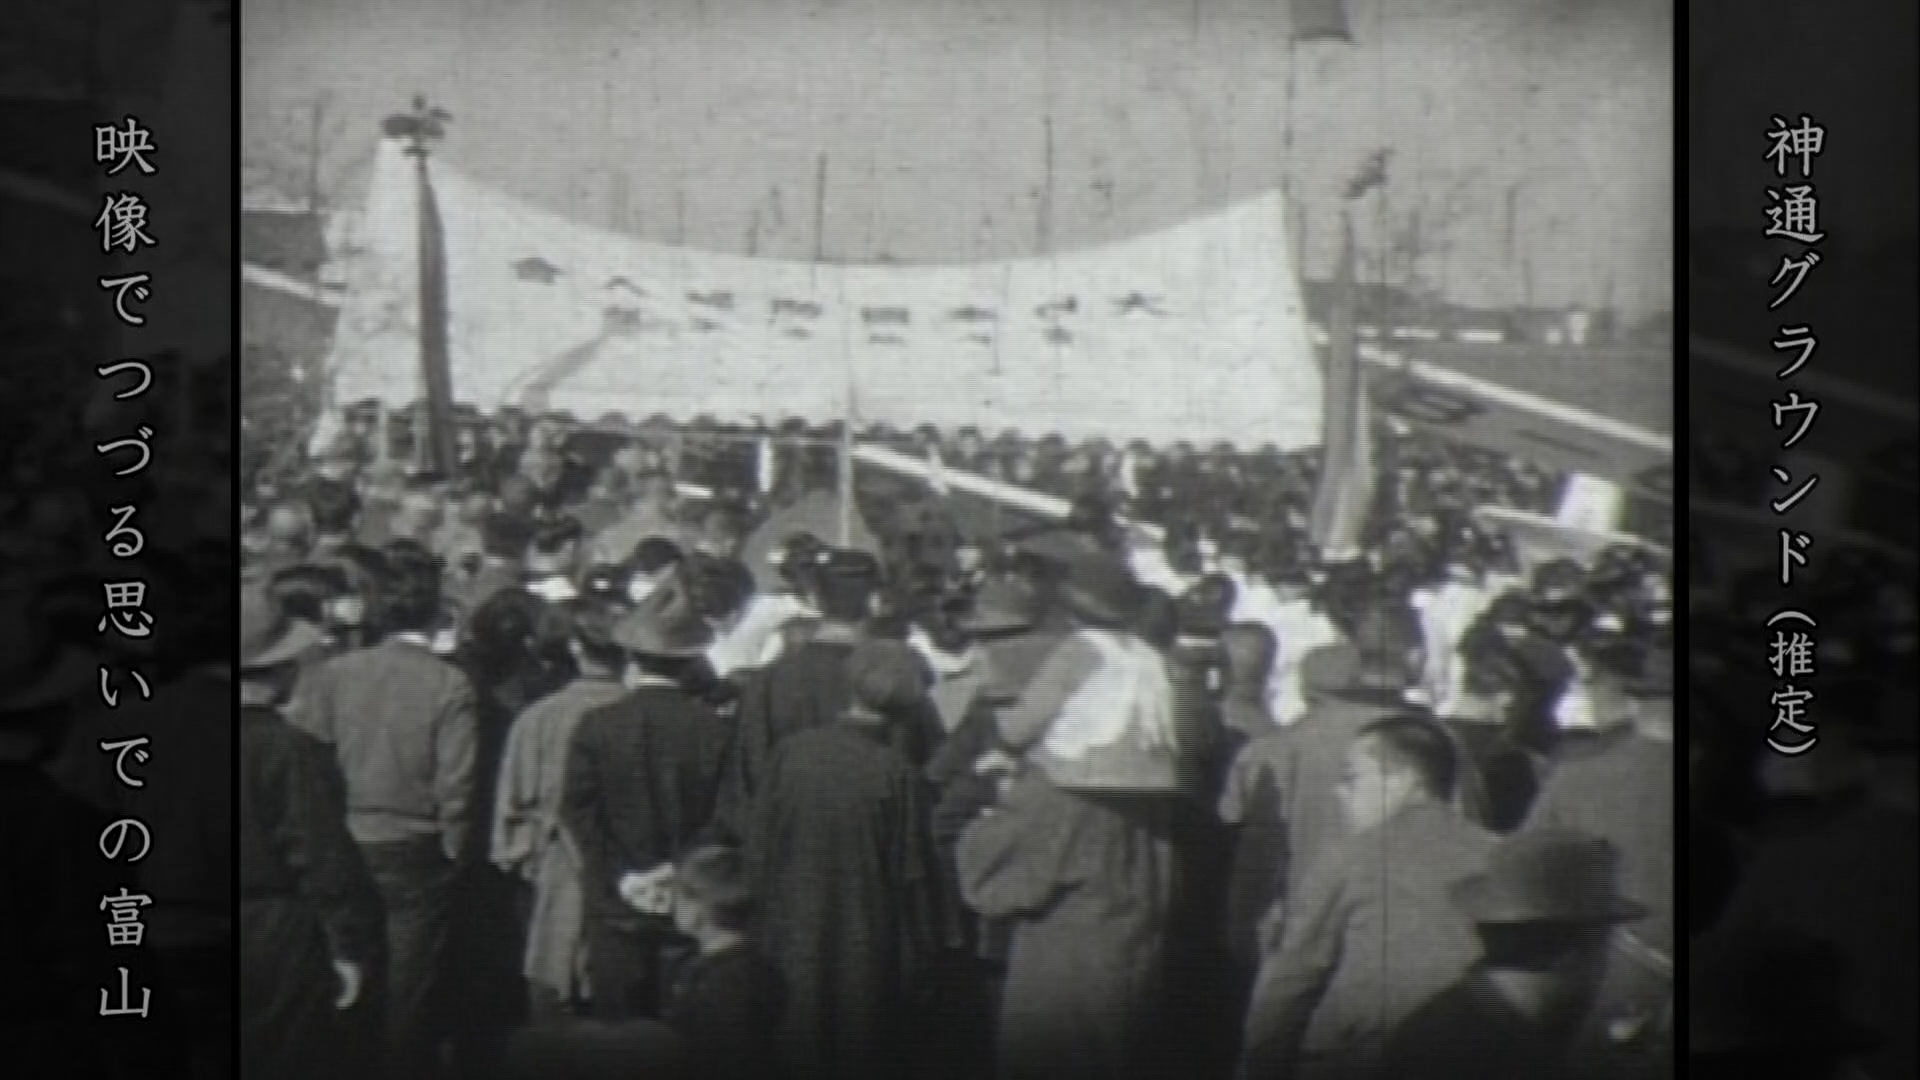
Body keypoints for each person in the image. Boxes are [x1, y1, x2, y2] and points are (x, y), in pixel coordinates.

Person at [290, 546, 480, 1078]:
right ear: (435, 612)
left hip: (342, 842)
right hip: (416, 849)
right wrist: (454, 853)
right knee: (409, 993)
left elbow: (308, 762)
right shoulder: (449, 683)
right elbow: (457, 785)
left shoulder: (333, 675)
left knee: (345, 981)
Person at [1240, 715, 1496, 1080]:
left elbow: (1290, 981)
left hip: (1364, 1057)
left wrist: (1260, 1066)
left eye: (1352, 778)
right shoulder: (1500, 855)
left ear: (1404, 780)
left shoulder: (1351, 858)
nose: (1339, 793)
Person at [746, 639, 942, 1079]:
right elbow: (913, 878)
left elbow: (758, 845)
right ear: (908, 709)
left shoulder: (791, 753)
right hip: (865, 938)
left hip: (785, 928)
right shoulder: (897, 774)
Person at [561, 577, 733, 1022]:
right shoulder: (714, 730)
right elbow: (726, 814)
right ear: (691, 661)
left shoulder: (598, 726)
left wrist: (621, 874)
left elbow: (577, 812)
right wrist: (673, 870)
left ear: (633, 657)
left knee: (619, 1031)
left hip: (614, 901)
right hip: (691, 902)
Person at [236, 585, 384, 1080]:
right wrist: (346, 944)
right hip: (271, 931)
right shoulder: (287, 748)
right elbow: (320, 856)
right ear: (280, 669)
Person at [1382, 829, 1651, 1080]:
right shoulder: (1473, 1056)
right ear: (1576, 952)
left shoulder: (1433, 1032)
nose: (1606, 967)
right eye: (1606, 943)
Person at [717, 548, 939, 843]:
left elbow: (744, 787)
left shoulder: (768, 683)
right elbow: (928, 775)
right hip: (873, 847)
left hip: (785, 846)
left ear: (816, 599)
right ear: (876, 601)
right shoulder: (896, 678)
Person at [491, 595, 634, 1020]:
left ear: (574, 648)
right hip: (635, 875)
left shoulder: (539, 718)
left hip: (555, 871)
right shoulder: (637, 711)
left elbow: (510, 815)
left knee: (554, 994)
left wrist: (527, 857)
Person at [660, 845, 786, 1079]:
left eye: (677, 897)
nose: (672, 905)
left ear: (697, 907)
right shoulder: (766, 969)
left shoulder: (711, 981)